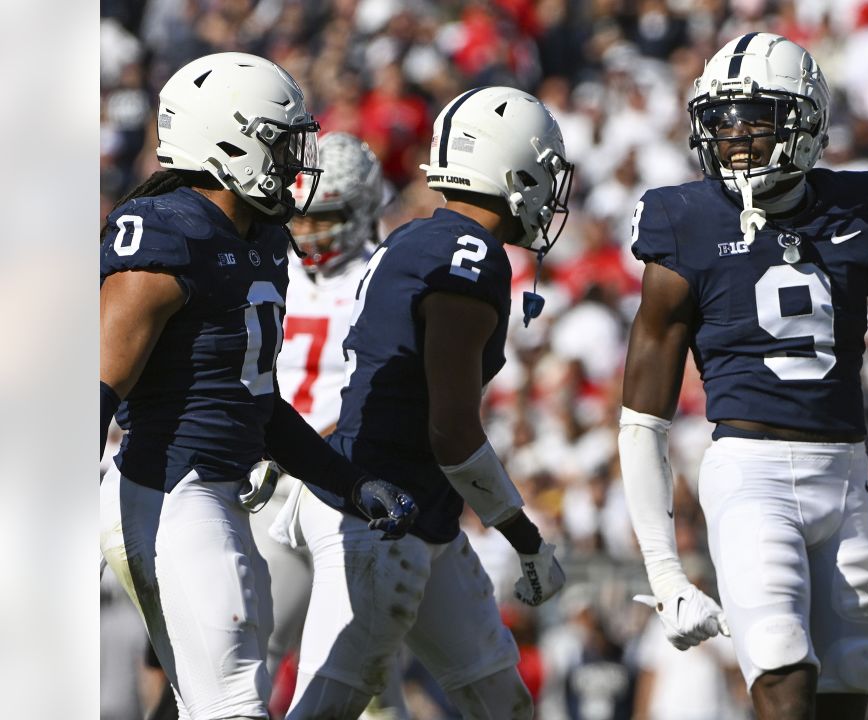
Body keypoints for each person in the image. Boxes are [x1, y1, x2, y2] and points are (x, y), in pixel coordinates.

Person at [617, 33, 868, 720]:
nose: (736, 137)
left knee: (850, 684)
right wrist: (665, 574)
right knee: (781, 669)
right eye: (721, 119)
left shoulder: (867, 210)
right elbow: (641, 421)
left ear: (806, 121)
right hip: (750, 475)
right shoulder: (682, 223)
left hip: (847, 475)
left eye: (757, 118)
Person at [99, 52, 419, 720]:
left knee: (207, 702)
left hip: (213, 491)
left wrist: (346, 481)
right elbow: (95, 389)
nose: (293, 164)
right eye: (280, 145)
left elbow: (254, 400)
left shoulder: (263, 237)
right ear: (230, 141)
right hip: (169, 490)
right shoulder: (167, 233)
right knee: (236, 703)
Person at [281, 86, 574, 720]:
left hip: (415, 507)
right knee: (325, 708)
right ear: (511, 169)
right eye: (543, 174)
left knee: (502, 700)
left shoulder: (417, 239)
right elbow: (453, 434)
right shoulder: (467, 258)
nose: (549, 194)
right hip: (381, 513)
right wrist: (524, 537)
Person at [247, 131, 412, 717]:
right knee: (259, 642)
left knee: (362, 664)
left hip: (346, 479)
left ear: (363, 206)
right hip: (274, 477)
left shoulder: (382, 278)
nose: (312, 229)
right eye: (305, 215)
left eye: (329, 215)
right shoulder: (269, 265)